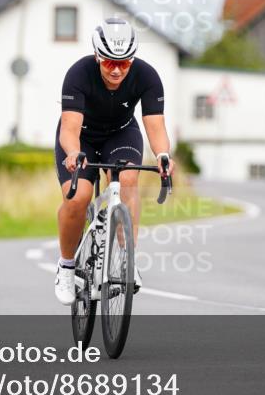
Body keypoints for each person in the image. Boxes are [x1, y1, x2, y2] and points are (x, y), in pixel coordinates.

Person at [53, 17, 174, 305]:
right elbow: (69, 128)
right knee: (78, 197)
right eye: (109, 62)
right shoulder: (79, 74)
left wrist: (162, 155)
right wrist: (72, 152)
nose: (117, 70)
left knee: (128, 180)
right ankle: (67, 266)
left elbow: (155, 126)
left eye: (125, 63)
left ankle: (126, 261)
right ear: (97, 56)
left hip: (121, 134)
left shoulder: (147, 76)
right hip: (81, 139)